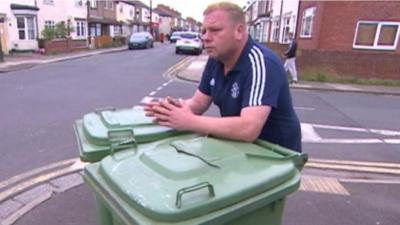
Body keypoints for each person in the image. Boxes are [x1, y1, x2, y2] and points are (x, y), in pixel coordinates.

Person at [144, 1, 302, 152]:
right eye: (204, 31)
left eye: (215, 30)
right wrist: (171, 110)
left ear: (238, 31)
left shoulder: (261, 63)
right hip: (244, 149)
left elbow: (249, 128)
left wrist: (189, 121)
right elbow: (198, 103)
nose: (205, 37)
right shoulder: (216, 60)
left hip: (277, 156)